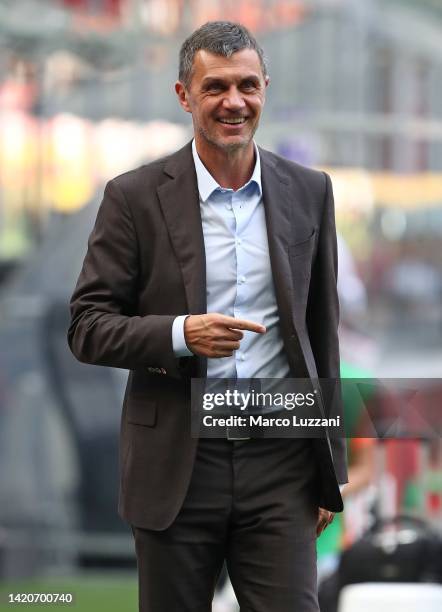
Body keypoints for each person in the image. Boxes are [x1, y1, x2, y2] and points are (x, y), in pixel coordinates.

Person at [68, 21, 348, 612]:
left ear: (265, 88)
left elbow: (320, 333)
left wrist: (329, 468)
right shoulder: (133, 197)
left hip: (282, 454)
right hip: (176, 459)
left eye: (248, 85)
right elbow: (87, 326)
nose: (234, 102)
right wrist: (179, 333)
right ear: (183, 95)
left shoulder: (310, 190)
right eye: (216, 86)